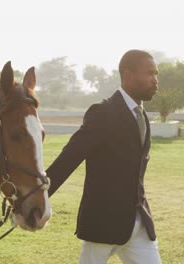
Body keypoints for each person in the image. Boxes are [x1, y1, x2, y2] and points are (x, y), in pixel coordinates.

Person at [46, 49, 161, 264]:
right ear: (127, 75)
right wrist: (38, 193)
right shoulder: (103, 112)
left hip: (139, 226)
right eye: (149, 74)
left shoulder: (142, 114)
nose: (155, 81)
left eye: (156, 74)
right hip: (102, 224)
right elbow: (70, 157)